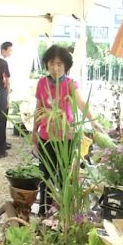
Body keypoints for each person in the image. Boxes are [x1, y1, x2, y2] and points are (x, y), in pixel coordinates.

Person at [33, 45, 99, 215]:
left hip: (66, 138)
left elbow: (81, 102)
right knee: (45, 175)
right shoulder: (42, 83)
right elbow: (38, 109)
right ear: (46, 64)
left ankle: (64, 213)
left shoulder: (70, 84)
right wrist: (34, 132)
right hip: (46, 137)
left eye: (59, 64)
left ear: (66, 66)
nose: (55, 68)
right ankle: (43, 211)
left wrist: (93, 120)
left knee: (64, 176)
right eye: (51, 64)